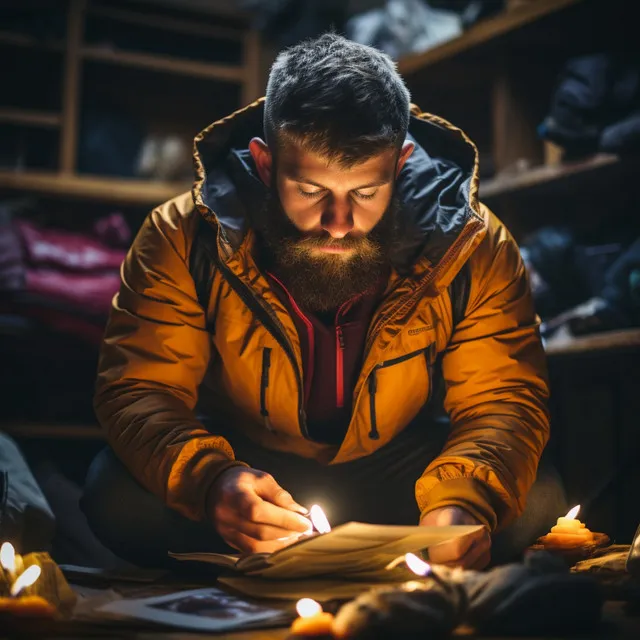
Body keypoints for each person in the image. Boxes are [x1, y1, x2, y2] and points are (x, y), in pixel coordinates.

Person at [83, 33, 566, 569]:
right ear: (265, 165)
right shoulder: (182, 235)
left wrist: (460, 504)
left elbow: (503, 399)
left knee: (535, 500)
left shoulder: (471, 244)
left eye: (365, 193)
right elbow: (138, 389)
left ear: (400, 163)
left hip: (399, 475)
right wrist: (213, 481)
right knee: (114, 497)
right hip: (249, 469)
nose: (339, 224)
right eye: (311, 191)